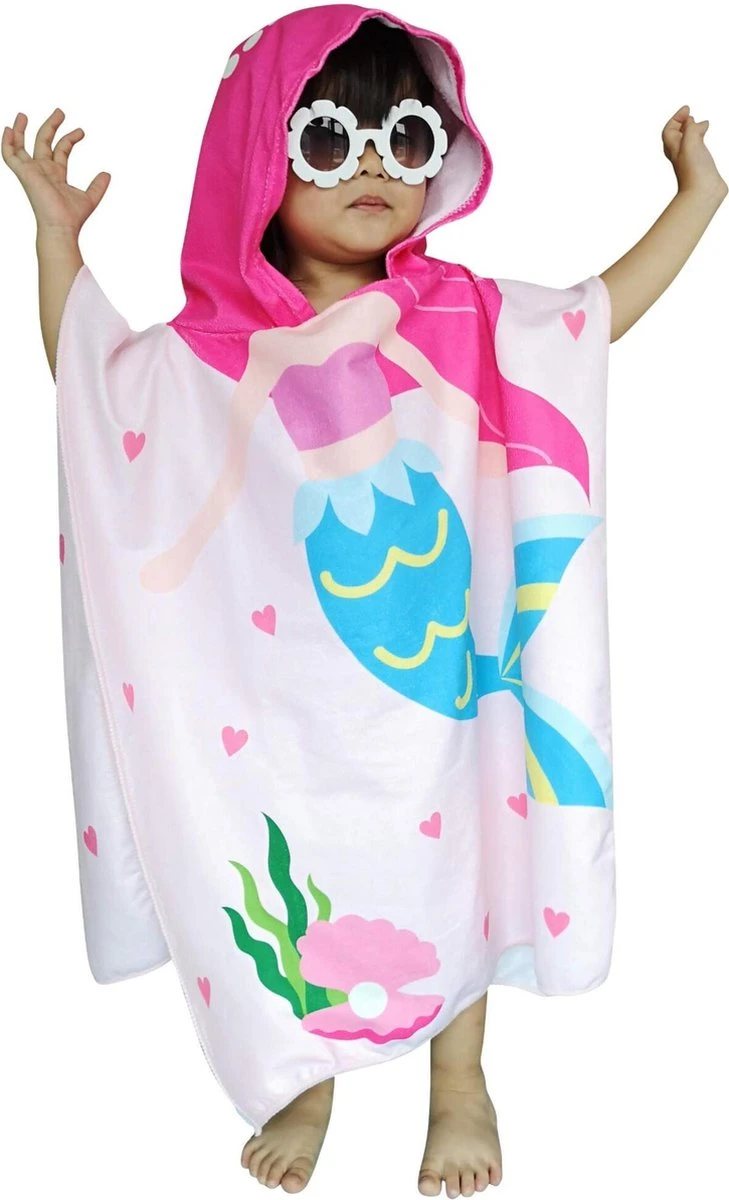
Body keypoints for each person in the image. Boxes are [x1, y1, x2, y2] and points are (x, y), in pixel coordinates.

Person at [3, 5, 726, 1198]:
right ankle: (306, 1069)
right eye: (329, 139)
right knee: (294, 860)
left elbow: (593, 319)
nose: (376, 166)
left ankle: (460, 1077)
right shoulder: (216, 347)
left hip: (436, 675)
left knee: (462, 847)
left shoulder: (461, 314)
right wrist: (55, 244)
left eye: (409, 135)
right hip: (280, 699)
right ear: (259, 161)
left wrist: (699, 199)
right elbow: (104, 406)